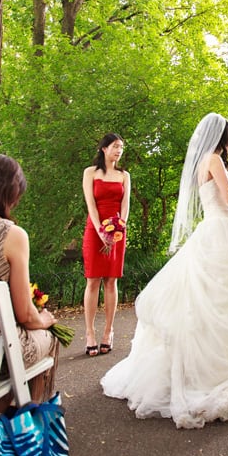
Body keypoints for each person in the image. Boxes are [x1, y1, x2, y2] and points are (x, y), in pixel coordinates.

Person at [101, 112, 228, 428]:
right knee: (222, 306)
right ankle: (213, 377)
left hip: (220, 229)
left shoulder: (202, 162)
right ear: (225, 137)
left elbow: (224, 205)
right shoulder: (215, 160)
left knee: (212, 306)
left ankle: (209, 371)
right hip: (222, 235)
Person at [0, 154, 57, 401]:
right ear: (10, 193)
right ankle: (21, 426)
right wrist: (44, 319)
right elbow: (26, 315)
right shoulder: (11, 234)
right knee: (46, 339)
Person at [82, 133, 130, 356]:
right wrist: (101, 231)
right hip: (95, 229)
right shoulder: (90, 173)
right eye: (115, 146)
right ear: (103, 148)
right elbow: (90, 205)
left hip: (117, 231)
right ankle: (90, 333)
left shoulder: (124, 175)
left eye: (121, 147)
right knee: (93, 281)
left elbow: (125, 206)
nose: (118, 151)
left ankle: (108, 332)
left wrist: (119, 229)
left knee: (111, 282)